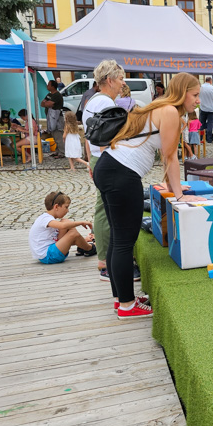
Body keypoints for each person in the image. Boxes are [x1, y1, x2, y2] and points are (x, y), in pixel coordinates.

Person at [94, 71, 200, 319]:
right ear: (183, 92)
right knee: (123, 241)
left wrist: (175, 188)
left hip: (109, 167)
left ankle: (122, 298)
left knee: (117, 239)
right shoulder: (171, 112)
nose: (197, 101)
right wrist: (178, 194)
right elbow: (170, 155)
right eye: (195, 95)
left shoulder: (157, 107)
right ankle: (128, 305)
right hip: (122, 174)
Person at [81, 60, 127, 281]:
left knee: (103, 207)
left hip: (97, 160)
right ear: (109, 80)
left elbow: (89, 137)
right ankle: (105, 262)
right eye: (120, 79)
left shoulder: (92, 100)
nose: (122, 84)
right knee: (106, 211)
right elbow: (109, 140)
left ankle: (104, 260)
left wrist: (91, 161)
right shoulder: (105, 104)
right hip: (106, 160)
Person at [29, 191, 96, 264]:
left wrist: (83, 240)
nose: (68, 210)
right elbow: (63, 226)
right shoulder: (45, 219)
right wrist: (81, 222)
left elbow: (61, 236)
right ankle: (90, 248)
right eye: (66, 207)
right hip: (48, 256)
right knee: (72, 233)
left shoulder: (47, 217)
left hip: (51, 251)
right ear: (56, 207)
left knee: (65, 221)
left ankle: (83, 246)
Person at [41, 80, 65, 157]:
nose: (47, 86)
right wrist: (46, 103)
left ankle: (62, 152)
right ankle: (57, 151)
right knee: (54, 135)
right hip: (50, 118)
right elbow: (42, 103)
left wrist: (46, 103)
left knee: (58, 135)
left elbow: (48, 103)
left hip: (57, 118)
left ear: (53, 86)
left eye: (48, 85)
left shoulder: (57, 95)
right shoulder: (49, 95)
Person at [198, 76, 213, 143]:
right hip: (212, 109)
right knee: (210, 123)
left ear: (205, 80)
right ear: (210, 81)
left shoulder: (200, 88)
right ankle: (209, 139)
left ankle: (201, 138)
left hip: (203, 108)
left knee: (201, 123)